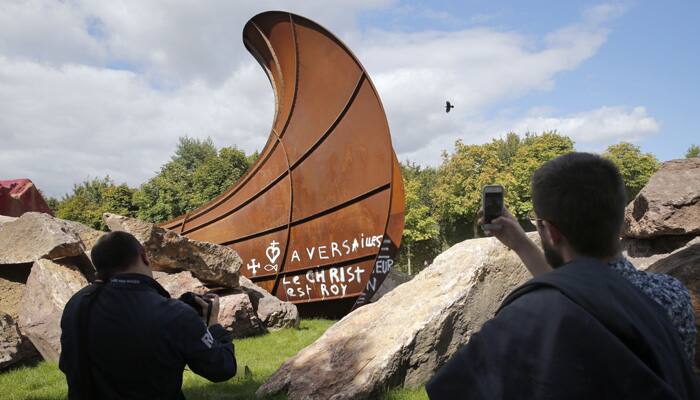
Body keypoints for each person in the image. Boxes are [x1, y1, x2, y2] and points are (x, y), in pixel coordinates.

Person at [426, 152, 699, 399]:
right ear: (618, 217)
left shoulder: (527, 319)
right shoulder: (672, 296)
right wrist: (521, 242)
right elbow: (586, 293)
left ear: (550, 231)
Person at [59, 231, 236, 399]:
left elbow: (66, 364)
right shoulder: (175, 314)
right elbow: (222, 368)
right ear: (143, 256)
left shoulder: (77, 304)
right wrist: (213, 324)